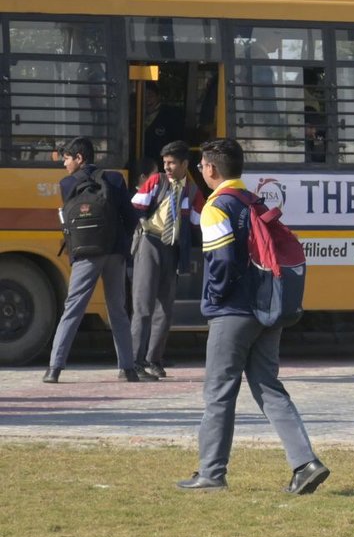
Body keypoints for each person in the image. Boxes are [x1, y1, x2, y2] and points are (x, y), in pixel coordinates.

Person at [176, 138, 329, 494]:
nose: (201, 171)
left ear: (212, 169)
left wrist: (213, 299)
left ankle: (212, 472)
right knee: (268, 387)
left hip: (233, 312)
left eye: (202, 166)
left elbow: (222, 262)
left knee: (218, 391)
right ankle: (305, 462)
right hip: (267, 308)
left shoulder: (218, 206)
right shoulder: (253, 200)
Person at [44, 136, 146, 384]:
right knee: (118, 310)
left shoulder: (67, 184)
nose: (64, 164)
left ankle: (54, 368)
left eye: (67, 158)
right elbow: (130, 216)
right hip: (113, 252)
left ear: (79, 158)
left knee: (73, 309)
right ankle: (127, 368)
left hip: (85, 254)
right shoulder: (114, 179)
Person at [129, 140, 204, 379]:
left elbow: (198, 223)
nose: (167, 167)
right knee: (143, 304)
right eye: (165, 163)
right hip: (150, 242)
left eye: (172, 163)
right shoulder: (156, 181)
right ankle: (134, 361)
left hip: (173, 249)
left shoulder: (193, 191)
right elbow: (135, 206)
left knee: (165, 307)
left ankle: (154, 359)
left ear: (185, 164)